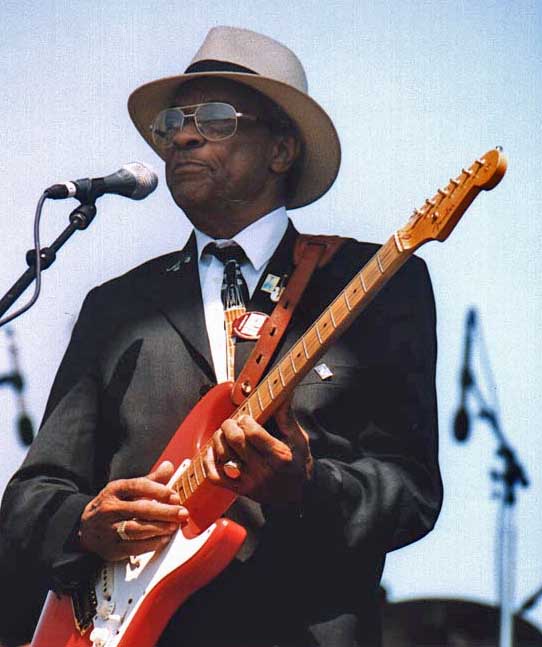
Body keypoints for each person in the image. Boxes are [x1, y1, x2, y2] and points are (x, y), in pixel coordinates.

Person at [0, 26, 442, 647]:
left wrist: (304, 486)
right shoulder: (117, 308)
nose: (182, 134)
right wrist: (86, 522)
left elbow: (411, 491)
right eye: (173, 123)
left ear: (282, 150)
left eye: (215, 117)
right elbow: (30, 499)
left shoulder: (374, 284)